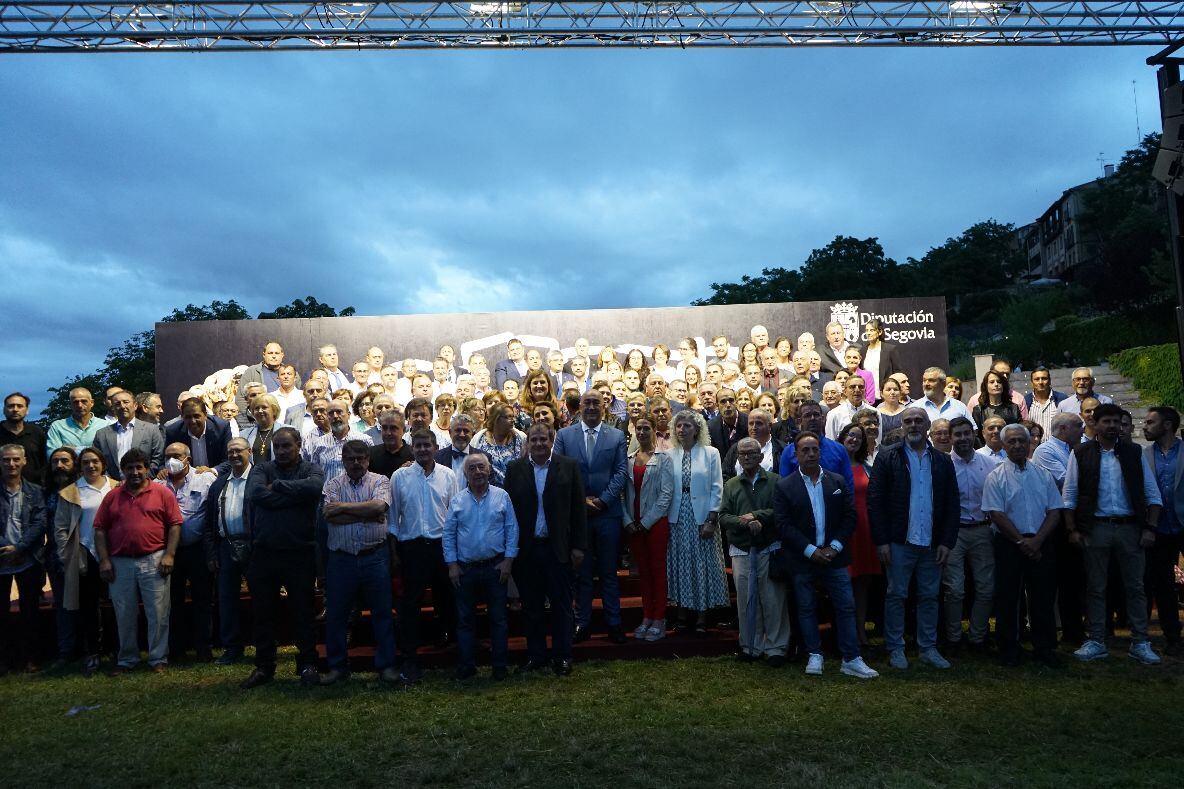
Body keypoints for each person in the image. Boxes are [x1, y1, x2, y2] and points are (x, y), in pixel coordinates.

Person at [1063, 402, 1162, 664]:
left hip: (1131, 528)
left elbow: (1152, 494)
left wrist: (1150, 527)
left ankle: (1140, 641)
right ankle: (1096, 640)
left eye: (1116, 422)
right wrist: (1072, 528)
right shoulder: (1081, 453)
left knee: (1136, 587)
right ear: (1094, 425)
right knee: (1096, 587)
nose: (1112, 426)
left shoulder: (1133, 452)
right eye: (1106, 421)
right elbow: (1070, 494)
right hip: (1095, 528)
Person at [774, 431, 879, 679]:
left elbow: (849, 517)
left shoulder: (837, 482)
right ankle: (814, 655)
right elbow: (783, 524)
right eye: (805, 450)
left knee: (846, 606)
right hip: (803, 558)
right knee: (807, 607)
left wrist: (834, 547)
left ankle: (851, 658)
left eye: (814, 450)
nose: (811, 454)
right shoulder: (784, 486)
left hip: (835, 557)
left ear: (820, 453)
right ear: (795, 455)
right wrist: (811, 551)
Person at [868, 407, 960, 670]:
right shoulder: (888, 457)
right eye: (908, 421)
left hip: (931, 543)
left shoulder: (942, 461)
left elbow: (953, 503)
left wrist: (946, 541)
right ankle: (896, 648)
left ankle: (928, 648)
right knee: (896, 595)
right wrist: (881, 541)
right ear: (901, 426)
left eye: (919, 421)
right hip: (899, 542)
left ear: (928, 425)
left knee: (930, 596)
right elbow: (875, 502)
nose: (913, 425)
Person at [240, 427, 324, 689]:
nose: (282, 451)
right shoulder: (261, 470)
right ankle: (264, 666)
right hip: (264, 553)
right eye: (278, 446)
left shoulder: (311, 470)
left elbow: (314, 488)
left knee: (303, 611)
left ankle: (308, 663)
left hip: (300, 552)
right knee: (263, 613)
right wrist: (294, 497)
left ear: (298, 444)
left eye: (287, 446)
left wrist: (276, 488)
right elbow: (255, 494)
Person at [505, 422, 587, 674]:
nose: (539, 444)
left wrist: (578, 547)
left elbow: (578, 510)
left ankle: (562, 656)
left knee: (562, 606)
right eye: (534, 440)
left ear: (551, 440)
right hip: (527, 550)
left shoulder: (568, 466)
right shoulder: (515, 469)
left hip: (558, 548)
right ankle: (536, 655)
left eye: (543, 439)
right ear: (527, 442)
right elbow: (509, 512)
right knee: (532, 607)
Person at [93, 448, 183, 674]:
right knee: (124, 613)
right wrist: (104, 560)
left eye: (139, 467)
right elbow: (100, 529)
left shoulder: (162, 493)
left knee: (158, 612)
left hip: (155, 559)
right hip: (120, 562)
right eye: (130, 468)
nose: (134, 472)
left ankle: (158, 658)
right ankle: (127, 659)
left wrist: (170, 555)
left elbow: (175, 524)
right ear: (123, 470)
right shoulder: (112, 496)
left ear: (147, 469)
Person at [982, 424, 1065, 668]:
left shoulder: (1043, 473)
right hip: (1009, 544)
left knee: (1043, 597)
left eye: (1021, 441)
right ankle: (1009, 648)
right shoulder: (995, 476)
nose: (1017, 445)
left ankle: (1045, 648)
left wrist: (1037, 540)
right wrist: (1020, 541)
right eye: (1012, 442)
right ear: (1004, 445)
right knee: (1009, 598)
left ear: (1030, 443)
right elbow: (996, 514)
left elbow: (1055, 510)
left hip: (1041, 542)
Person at [553, 390, 630, 644]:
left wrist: (603, 500)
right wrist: (581, 501)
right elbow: (560, 471)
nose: (592, 407)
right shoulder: (564, 435)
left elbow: (620, 472)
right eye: (587, 403)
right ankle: (582, 623)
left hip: (607, 514)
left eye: (597, 403)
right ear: (580, 406)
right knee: (582, 574)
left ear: (604, 406)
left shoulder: (617, 435)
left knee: (609, 572)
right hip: (578, 516)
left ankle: (614, 623)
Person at [319, 440, 397, 685]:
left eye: (360, 458)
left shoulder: (381, 481)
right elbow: (328, 515)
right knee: (337, 616)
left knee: (382, 613)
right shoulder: (332, 484)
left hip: (375, 556)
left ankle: (386, 666)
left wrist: (343, 508)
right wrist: (368, 514)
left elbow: (379, 505)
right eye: (350, 458)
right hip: (341, 559)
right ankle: (337, 668)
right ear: (342, 459)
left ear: (368, 459)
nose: (355, 463)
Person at [389, 429, 460, 683]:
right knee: (411, 605)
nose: (422, 449)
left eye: (427, 445)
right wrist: (395, 552)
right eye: (417, 445)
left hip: (442, 546)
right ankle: (410, 659)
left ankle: (455, 655)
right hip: (412, 547)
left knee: (449, 600)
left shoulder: (448, 475)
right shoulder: (400, 476)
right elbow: (393, 517)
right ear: (412, 448)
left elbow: (454, 515)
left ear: (435, 446)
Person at [445, 453, 519, 681]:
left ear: (489, 471)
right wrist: (452, 565)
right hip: (465, 570)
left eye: (481, 467)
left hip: (495, 567)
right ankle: (467, 666)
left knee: (498, 619)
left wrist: (508, 561)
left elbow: (512, 529)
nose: (477, 472)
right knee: (465, 620)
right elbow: (448, 535)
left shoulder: (502, 496)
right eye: (472, 468)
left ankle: (499, 666)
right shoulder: (457, 500)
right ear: (465, 474)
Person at [720, 437, 787, 664]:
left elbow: (781, 511)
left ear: (760, 456)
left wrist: (758, 516)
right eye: (742, 454)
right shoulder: (730, 485)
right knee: (746, 600)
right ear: (737, 457)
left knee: (773, 599)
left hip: (769, 547)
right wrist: (745, 522)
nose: (747, 457)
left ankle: (776, 647)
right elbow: (723, 516)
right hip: (742, 548)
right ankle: (750, 646)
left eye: (751, 453)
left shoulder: (776, 481)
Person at [663, 409, 729, 634]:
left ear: (697, 429)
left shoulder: (711, 453)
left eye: (687, 426)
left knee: (702, 564)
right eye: (679, 426)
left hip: (702, 516)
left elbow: (717, 487)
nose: (682, 429)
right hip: (677, 517)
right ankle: (682, 615)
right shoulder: (669, 454)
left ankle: (701, 616)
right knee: (682, 564)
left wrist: (712, 518)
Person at [153, 442, 218, 663]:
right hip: (169, 551)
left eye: (176, 455)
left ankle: (204, 647)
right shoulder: (157, 484)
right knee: (172, 602)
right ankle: (176, 648)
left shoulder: (205, 479)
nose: (171, 460)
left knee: (203, 599)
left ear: (187, 459)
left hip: (198, 549)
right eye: (168, 456)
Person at [52, 446, 112, 675]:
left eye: (95, 461)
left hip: (113, 552)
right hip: (84, 552)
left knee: (115, 603)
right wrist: (66, 555)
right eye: (85, 462)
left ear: (102, 463)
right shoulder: (71, 492)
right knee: (88, 606)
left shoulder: (115, 486)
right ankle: (93, 652)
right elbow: (60, 528)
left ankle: (114, 648)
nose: (90, 466)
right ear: (80, 466)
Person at [944, 416, 999, 654]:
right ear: (950, 437)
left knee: (986, 587)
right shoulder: (943, 464)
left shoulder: (989, 464)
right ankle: (953, 638)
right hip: (954, 533)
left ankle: (978, 637)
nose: (963, 438)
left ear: (973, 435)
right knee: (954, 589)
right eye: (958, 434)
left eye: (967, 433)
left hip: (982, 531)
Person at [621, 416, 674, 643]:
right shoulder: (628, 459)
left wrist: (646, 521)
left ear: (654, 430)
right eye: (638, 428)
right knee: (643, 572)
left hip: (654, 523)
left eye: (646, 428)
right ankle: (646, 616)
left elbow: (666, 495)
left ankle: (659, 618)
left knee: (657, 571)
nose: (642, 432)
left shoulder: (664, 459)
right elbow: (622, 494)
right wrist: (628, 521)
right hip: (634, 525)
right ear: (633, 430)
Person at [203, 437, 253, 665]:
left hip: (254, 547)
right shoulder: (219, 484)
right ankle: (232, 647)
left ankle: (264, 644)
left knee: (262, 598)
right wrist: (212, 553)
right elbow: (209, 522)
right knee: (226, 600)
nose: (234, 455)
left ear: (249, 451)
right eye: (230, 452)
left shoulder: (259, 479)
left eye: (238, 451)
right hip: (226, 545)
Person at [0, 444, 48, 672]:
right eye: (6, 460)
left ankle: (32, 657)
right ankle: (5, 659)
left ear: (24, 461)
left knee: (30, 611)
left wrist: (19, 546)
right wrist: (4, 547)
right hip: (1, 560)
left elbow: (40, 522)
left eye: (15, 460)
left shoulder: (35, 491)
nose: (11, 464)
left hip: (29, 558)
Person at [1143, 406, 1184, 655]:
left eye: (1150, 422)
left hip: (1183, 524)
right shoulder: (1145, 455)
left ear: (1167, 425)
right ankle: (1172, 637)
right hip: (1158, 528)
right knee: (1163, 584)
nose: (1144, 426)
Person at [837, 424, 880, 646]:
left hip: (865, 528)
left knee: (863, 581)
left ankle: (860, 627)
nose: (854, 439)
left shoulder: (866, 467)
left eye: (859, 437)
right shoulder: (832, 466)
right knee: (845, 580)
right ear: (842, 437)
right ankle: (846, 630)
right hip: (844, 529)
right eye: (850, 435)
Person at [779, 400, 855, 491]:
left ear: (822, 418)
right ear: (799, 421)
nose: (812, 418)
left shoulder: (839, 449)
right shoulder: (789, 451)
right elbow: (784, 487)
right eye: (807, 415)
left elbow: (848, 486)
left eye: (816, 415)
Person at [92, 389, 164, 481]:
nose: (122, 406)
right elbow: (98, 462)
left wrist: (141, 479)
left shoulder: (151, 430)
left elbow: (158, 458)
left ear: (135, 405)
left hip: (145, 484)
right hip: (114, 487)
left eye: (126, 402)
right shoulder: (101, 434)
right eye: (117, 404)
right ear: (113, 408)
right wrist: (111, 482)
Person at [165, 397, 232, 469]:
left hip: (217, 475)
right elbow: (165, 460)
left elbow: (228, 460)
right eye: (188, 417)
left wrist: (213, 471)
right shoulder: (173, 432)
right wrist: (164, 470)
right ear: (182, 417)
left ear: (205, 415)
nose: (193, 421)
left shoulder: (221, 428)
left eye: (196, 416)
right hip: (186, 477)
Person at [236, 341, 299, 416]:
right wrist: (250, 421)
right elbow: (241, 399)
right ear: (264, 355)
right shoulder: (252, 372)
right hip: (259, 419)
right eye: (270, 353)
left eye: (277, 353)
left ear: (282, 355)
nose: (274, 356)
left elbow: (297, 398)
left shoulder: (292, 374)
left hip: (287, 418)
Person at [472, 402, 526, 488]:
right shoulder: (479, 439)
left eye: (512, 416)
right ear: (495, 419)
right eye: (507, 417)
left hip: (517, 490)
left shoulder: (520, 437)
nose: (512, 420)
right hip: (488, 491)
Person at [47, 387, 109, 455]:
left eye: (84, 401)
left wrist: (74, 450)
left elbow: (110, 453)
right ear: (70, 404)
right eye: (75, 402)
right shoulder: (58, 426)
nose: (79, 405)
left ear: (92, 403)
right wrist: (95, 450)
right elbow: (52, 454)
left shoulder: (105, 425)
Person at [1, 393, 47, 484]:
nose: (15, 409)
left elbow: (44, 462)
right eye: (11, 406)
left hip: (34, 490)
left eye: (19, 406)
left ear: (27, 410)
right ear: (4, 410)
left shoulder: (37, 432)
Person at [861, 318, 903, 400]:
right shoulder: (862, 351)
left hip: (886, 397)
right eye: (867, 330)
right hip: (867, 398)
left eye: (872, 330)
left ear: (879, 332)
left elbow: (898, 373)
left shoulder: (890, 349)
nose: (868, 333)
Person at [1024, 367, 1068, 441]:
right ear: (1032, 383)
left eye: (1044, 378)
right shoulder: (1025, 401)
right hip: (1033, 447)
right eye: (1037, 379)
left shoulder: (1061, 399)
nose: (1040, 382)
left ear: (1050, 381)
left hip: (1056, 448)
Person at [707, 387, 748, 460]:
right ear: (717, 405)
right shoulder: (711, 426)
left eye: (731, 400)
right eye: (723, 402)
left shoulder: (749, 422)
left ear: (736, 402)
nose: (728, 405)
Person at [824, 374, 866, 440]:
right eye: (852, 387)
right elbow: (830, 442)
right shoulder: (834, 414)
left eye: (861, 387)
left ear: (865, 390)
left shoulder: (874, 412)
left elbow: (877, 441)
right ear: (845, 391)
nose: (857, 390)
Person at [240, 394, 280, 464]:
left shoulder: (287, 431)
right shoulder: (243, 434)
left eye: (264, 407)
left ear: (274, 410)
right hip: (253, 474)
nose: (260, 411)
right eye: (256, 408)